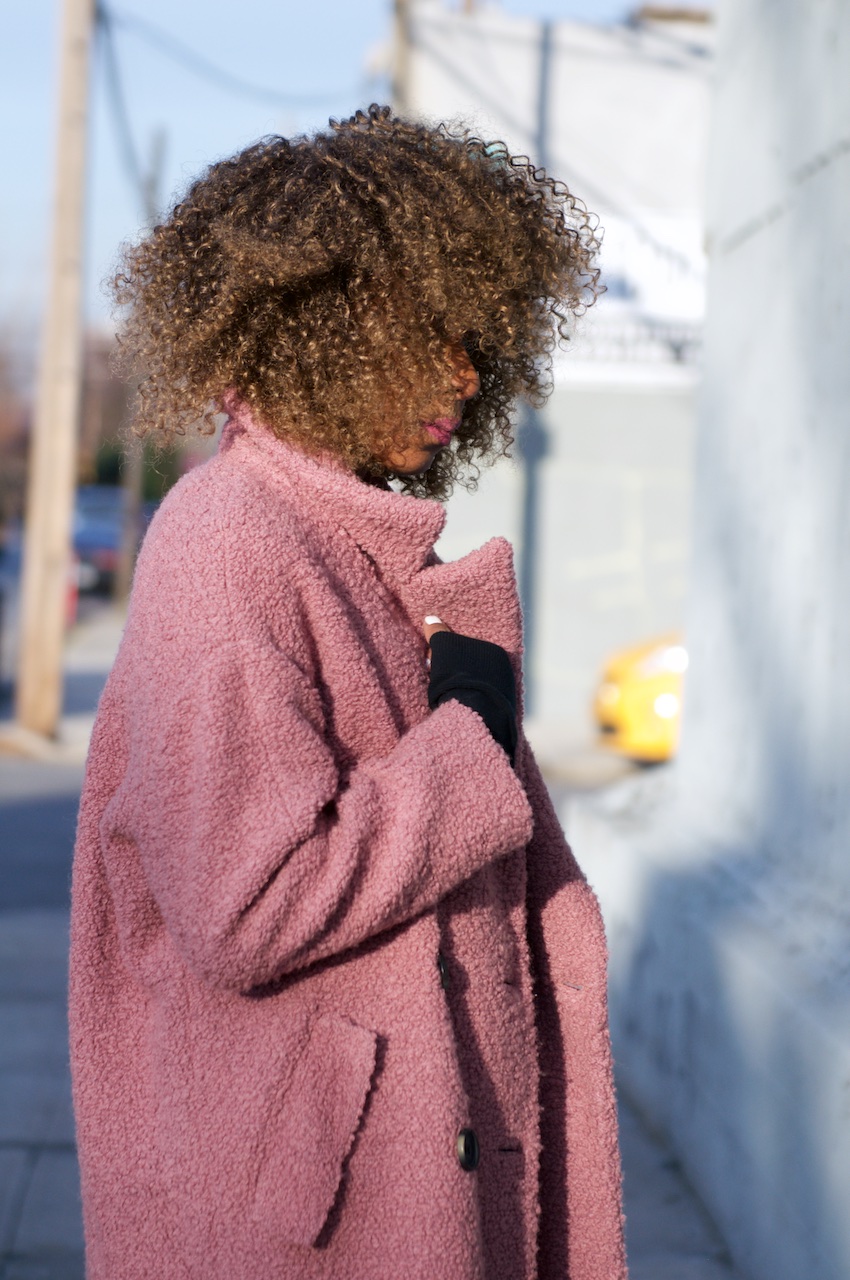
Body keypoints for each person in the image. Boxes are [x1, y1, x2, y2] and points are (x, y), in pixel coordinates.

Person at [69, 105, 627, 1280]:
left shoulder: (333, 537)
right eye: (428, 334)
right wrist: (468, 738)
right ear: (315, 332)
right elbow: (250, 900)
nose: (467, 372)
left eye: (477, 335)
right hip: (314, 1213)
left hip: (393, 1166)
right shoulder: (232, 541)